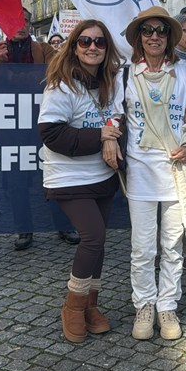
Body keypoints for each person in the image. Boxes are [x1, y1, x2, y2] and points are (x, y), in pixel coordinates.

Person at [38, 19, 123, 343]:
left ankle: (91, 305)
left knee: (98, 243)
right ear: (74, 46)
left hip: (102, 174)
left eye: (99, 42)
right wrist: (101, 136)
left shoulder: (110, 81)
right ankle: (72, 306)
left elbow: (117, 116)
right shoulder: (60, 84)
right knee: (93, 237)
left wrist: (111, 134)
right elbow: (51, 133)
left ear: (107, 48)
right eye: (85, 41)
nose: (92, 47)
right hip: (69, 177)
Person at [123, 6, 186, 341]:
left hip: (175, 171)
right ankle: (144, 304)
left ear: (169, 37)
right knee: (143, 248)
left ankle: (167, 305)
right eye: (148, 31)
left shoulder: (183, 76)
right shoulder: (125, 76)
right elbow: (112, 115)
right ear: (139, 38)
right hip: (140, 173)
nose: (154, 36)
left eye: (161, 31)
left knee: (172, 246)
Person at [0, 23, 80, 249]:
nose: (20, 26)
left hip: (43, 124)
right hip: (11, 128)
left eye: (24, 22)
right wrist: (1, 64)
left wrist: (10, 76)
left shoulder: (44, 50)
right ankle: (24, 229)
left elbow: (48, 80)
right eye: (15, 22)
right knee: (16, 181)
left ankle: (64, 225)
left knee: (53, 174)